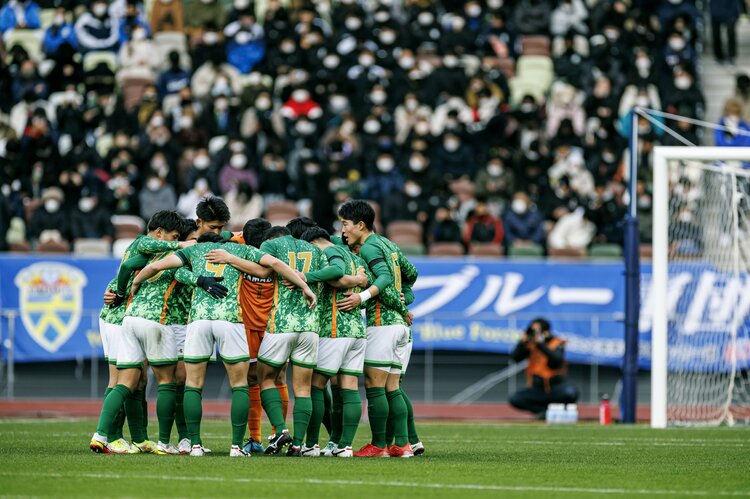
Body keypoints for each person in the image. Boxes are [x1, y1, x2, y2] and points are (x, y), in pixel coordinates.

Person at [130, 230, 314, 457]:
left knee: (193, 385)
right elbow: (273, 264)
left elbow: (156, 267)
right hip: (230, 321)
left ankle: (195, 445)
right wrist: (305, 287)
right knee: (240, 384)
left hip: (198, 321)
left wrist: (136, 282)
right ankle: (237, 447)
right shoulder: (239, 249)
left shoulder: (193, 250)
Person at [90, 216, 196, 456]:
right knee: (121, 380)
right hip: (121, 316)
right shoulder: (144, 244)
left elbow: (129, 268)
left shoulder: (153, 251)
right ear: (159, 232)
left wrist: (118, 292)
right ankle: (111, 436)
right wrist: (119, 294)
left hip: (124, 315)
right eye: (174, 236)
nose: (176, 241)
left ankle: (137, 438)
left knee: (138, 381)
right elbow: (128, 268)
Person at [336, 200, 418, 458]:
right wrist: (405, 296)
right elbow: (411, 273)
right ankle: (403, 445)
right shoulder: (389, 244)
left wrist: (362, 297)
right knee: (392, 386)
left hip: (382, 323)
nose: (343, 230)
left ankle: (379, 445)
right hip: (400, 326)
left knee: (374, 385)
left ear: (361, 225)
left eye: (345, 224)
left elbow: (382, 277)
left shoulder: (370, 247)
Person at [299, 227, 371, 457]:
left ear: (312, 243)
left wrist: (304, 277)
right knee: (349, 389)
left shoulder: (329, 253)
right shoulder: (355, 256)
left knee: (315, 385)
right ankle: (344, 446)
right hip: (356, 330)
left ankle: (311, 444)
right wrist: (359, 281)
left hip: (335, 328)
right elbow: (362, 282)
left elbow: (336, 277)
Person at [509, 318, 579, 417]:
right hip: (537, 389)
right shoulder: (530, 345)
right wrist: (522, 342)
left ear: (546, 332)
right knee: (515, 398)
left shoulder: (556, 342)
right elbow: (514, 358)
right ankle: (544, 412)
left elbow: (556, 360)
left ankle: (559, 412)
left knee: (570, 392)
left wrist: (540, 344)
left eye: (537, 331)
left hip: (555, 388)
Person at [710, 0, 740, 65]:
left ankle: (731, 56)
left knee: (731, 33)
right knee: (716, 35)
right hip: (716, 9)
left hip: (730, 8)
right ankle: (718, 56)